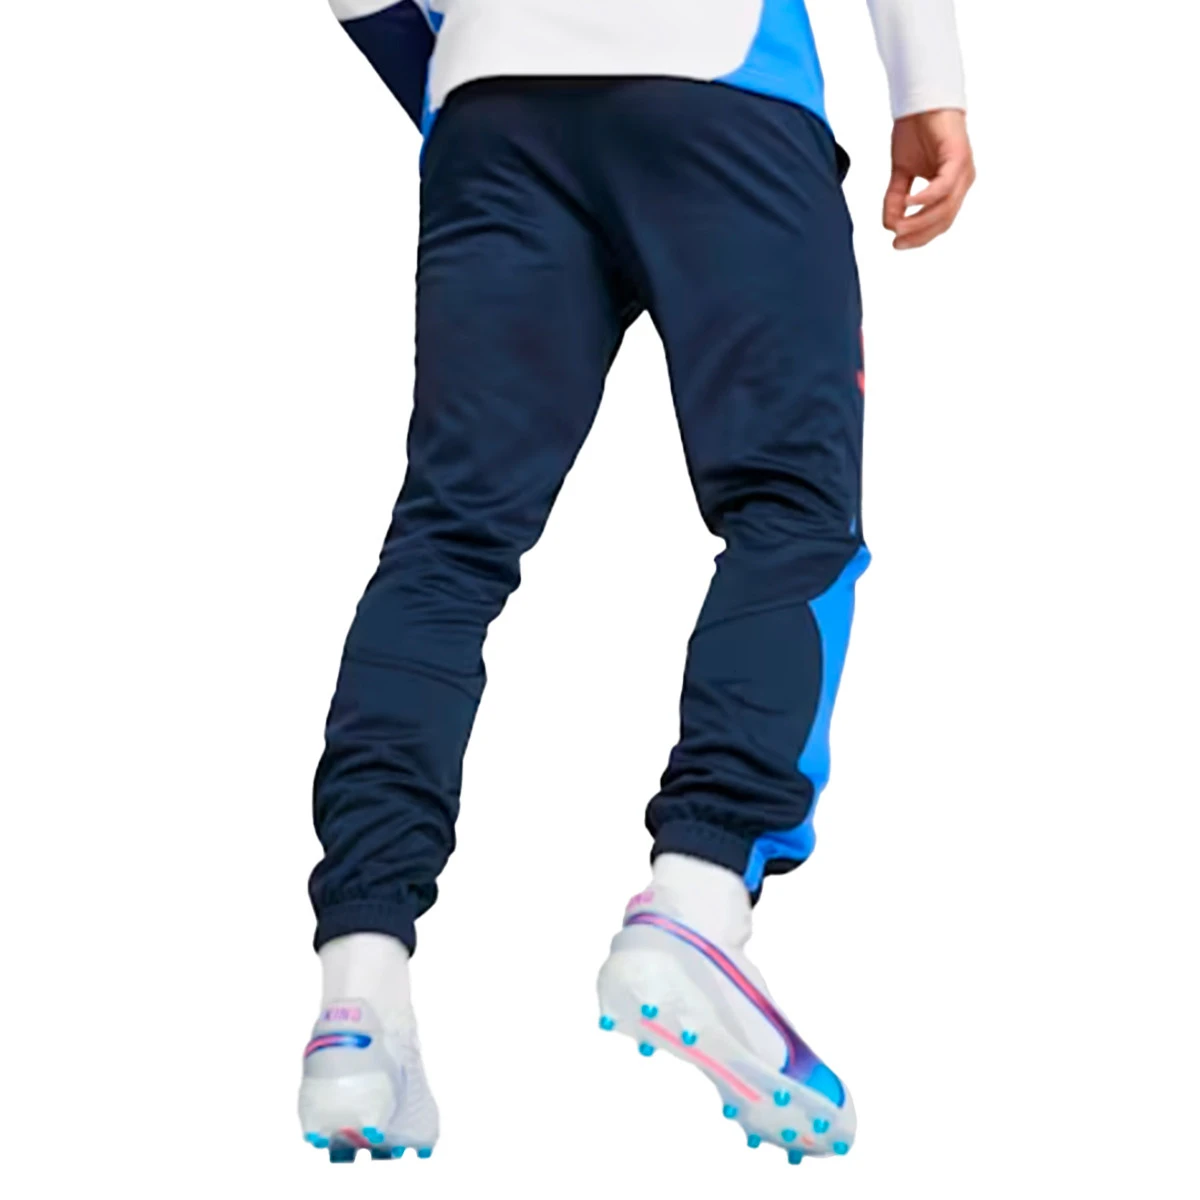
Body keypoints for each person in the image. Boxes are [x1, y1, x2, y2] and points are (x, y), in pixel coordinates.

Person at [298, 0, 975, 1165]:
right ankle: (699, 898)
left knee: (447, 546)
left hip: (493, 112)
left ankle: (358, 1000)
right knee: (790, 515)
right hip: (722, 84)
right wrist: (929, 89)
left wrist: (474, 75)